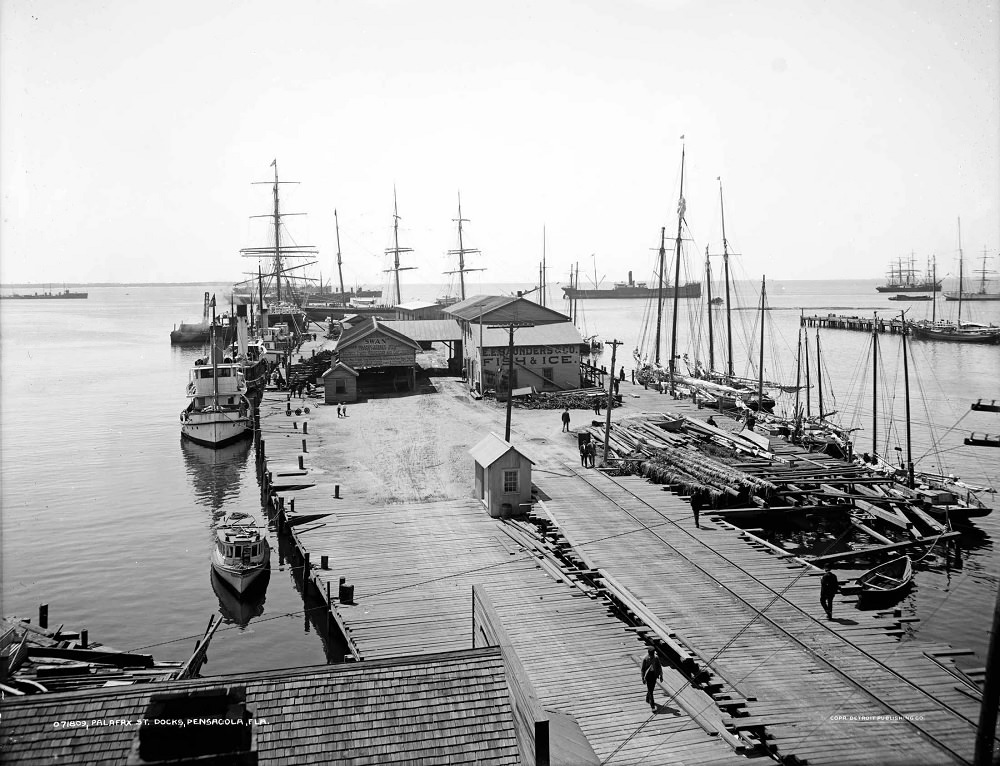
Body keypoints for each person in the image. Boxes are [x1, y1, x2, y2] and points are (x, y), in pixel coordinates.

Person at [641, 647, 662, 712]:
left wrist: (661, 676)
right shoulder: (645, 659)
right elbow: (643, 669)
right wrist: (643, 678)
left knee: (651, 689)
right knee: (650, 691)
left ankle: (648, 698)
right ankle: (652, 706)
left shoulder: (656, 658)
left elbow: (659, 667)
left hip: (654, 675)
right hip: (648, 675)